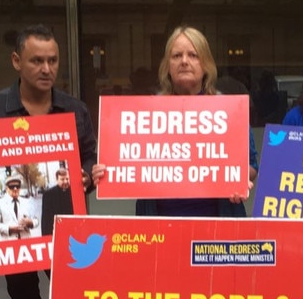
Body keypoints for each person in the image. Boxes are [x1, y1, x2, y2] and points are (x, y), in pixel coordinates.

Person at [0, 24, 97, 299]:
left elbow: (89, 157)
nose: (46, 69)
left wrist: (85, 175)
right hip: (16, 229)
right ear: (16, 61)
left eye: (53, 60)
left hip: (64, 221)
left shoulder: (75, 110)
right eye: (37, 61)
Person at [92, 25, 258, 217]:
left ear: (206, 65)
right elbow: (128, 164)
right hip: (160, 228)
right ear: (167, 66)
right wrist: (107, 172)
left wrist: (239, 180)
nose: (184, 61)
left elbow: (252, 164)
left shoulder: (228, 110)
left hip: (217, 228)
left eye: (193, 55)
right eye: (177, 55)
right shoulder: (146, 114)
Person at [0, 175, 38, 241]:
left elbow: (36, 220)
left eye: (17, 186)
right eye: (12, 186)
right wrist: (9, 229)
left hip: (26, 241)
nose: (15, 189)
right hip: (8, 243)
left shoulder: (27, 202)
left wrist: (30, 223)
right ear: (6, 188)